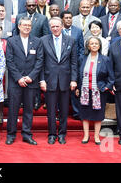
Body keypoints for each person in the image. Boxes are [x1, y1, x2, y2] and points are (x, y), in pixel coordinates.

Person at [38, 17, 78, 145]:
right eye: (53, 27)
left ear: (62, 26)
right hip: (49, 81)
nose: (55, 29)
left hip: (66, 81)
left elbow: (74, 62)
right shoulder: (43, 41)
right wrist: (42, 80)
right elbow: (41, 63)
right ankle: (51, 134)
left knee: (64, 111)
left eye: (57, 26)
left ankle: (62, 134)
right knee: (50, 111)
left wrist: (73, 80)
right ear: (50, 28)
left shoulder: (71, 40)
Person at [5, 17, 42, 145]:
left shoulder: (37, 41)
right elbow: (9, 61)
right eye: (24, 25)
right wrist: (19, 78)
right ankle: (11, 134)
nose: (27, 27)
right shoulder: (11, 41)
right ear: (19, 26)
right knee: (13, 109)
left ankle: (27, 134)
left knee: (29, 109)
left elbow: (39, 61)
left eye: (29, 25)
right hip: (16, 82)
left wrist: (30, 77)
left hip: (31, 82)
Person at [76, 36, 114, 145]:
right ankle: (86, 136)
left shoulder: (105, 59)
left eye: (96, 43)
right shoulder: (82, 58)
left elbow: (111, 76)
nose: (94, 45)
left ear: (99, 46)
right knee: (85, 114)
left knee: (98, 115)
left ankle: (97, 136)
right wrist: (78, 87)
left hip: (99, 91)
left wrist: (107, 87)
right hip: (85, 91)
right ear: (88, 46)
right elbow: (79, 75)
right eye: (91, 43)